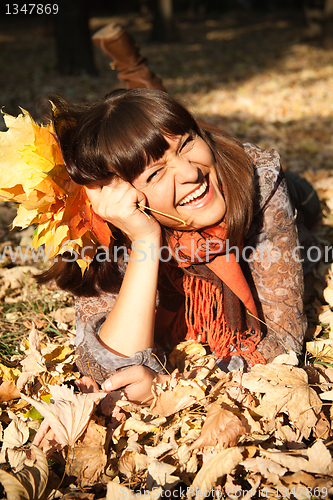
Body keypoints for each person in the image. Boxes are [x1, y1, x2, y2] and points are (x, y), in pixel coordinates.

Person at [36, 86, 310, 405]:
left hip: (290, 195)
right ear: (125, 199)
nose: (191, 172)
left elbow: (285, 340)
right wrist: (145, 242)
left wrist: (176, 389)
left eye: (187, 144)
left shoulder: (257, 178)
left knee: (307, 200)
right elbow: (103, 369)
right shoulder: (110, 229)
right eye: (155, 174)